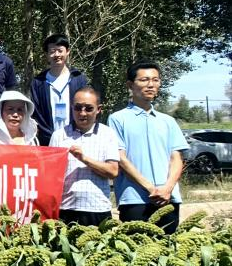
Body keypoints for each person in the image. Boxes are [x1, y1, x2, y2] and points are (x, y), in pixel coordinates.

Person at [110, 62, 188, 233]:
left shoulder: (168, 121)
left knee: (168, 246)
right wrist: (151, 188)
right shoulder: (117, 119)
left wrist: (167, 188)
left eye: (155, 80)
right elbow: (121, 158)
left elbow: (176, 158)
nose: (151, 85)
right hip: (134, 199)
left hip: (167, 198)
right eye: (144, 80)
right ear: (130, 85)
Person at [49, 87, 122, 227]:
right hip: (66, 208)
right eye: (78, 108)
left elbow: (113, 171)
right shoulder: (59, 136)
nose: (82, 113)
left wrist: (84, 159)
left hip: (97, 209)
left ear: (98, 109)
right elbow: (51, 175)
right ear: (72, 108)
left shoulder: (108, 134)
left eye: (88, 108)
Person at [30, 35, 89, 146]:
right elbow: (37, 113)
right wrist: (51, 136)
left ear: (67, 52)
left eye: (60, 51)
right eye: (52, 51)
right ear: (47, 55)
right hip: (48, 141)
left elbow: (85, 108)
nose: (57, 55)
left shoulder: (78, 79)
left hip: (76, 138)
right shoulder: (38, 82)